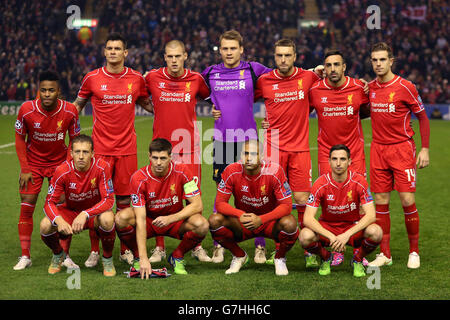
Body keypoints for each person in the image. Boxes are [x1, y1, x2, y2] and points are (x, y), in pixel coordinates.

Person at [74, 33, 153, 267]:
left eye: (118, 48)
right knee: (97, 199)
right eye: (109, 48)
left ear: (125, 53)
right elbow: (77, 106)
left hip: (127, 149)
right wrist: (67, 130)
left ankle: (124, 250)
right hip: (99, 150)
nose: (113, 52)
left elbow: (149, 105)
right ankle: (95, 251)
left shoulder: (136, 79)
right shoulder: (92, 78)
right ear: (104, 51)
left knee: (124, 201)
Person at [201, 30, 272, 264]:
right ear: (219, 50)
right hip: (221, 140)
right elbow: (190, 85)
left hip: (248, 140)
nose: (229, 52)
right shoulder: (210, 73)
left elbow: (282, 81)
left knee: (255, 193)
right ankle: (218, 244)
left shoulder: (254, 69)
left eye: (233, 48)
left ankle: (259, 246)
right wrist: (212, 102)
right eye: (225, 48)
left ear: (242, 49)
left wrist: (314, 72)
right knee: (221, 193)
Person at [255, 38, 322, 267]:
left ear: (295, 57)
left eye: (287, 55)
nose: (283, 60)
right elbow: (243, 100)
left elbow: (327, 89)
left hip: (300, 148)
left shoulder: (308, 77)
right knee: (274, 202)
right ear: (274, 57)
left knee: (303, 199)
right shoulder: (264, 81)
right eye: (279, 56)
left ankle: (309, 249)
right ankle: (277, 248)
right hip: (273, 148)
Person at [144, 40, 211, 263]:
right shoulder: (152, 77)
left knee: (193, 198)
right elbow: (138, 94)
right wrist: (152, 108)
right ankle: (159, 247)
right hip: (161, 150)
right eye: (170, 56)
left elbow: (212, 97)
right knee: (158, 199)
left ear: (185, 56)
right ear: (165, 57)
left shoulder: (196, 79)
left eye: (178, 56)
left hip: (189, 150)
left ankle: (196, 246)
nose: (174, 60)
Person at [367, 42, 430, 269]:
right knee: (381, 202)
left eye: (382, 59)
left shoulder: (406, 86)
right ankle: (385, 254)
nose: (378, 64)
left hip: (402, 149)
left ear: (391, 61)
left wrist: (425, 149)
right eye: (374, 60)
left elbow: (422, 117)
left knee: (407, 200)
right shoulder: (371, 88)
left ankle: (414, 251)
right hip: (378, 150)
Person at [13, 70, 80, 270]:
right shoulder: (26, 109)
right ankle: (25, 256)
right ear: (38, 91)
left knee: (62, 209)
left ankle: (65, 255)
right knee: (27, 205)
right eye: (43, 90)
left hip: (59, 165)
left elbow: (74, 140)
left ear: (58, 91)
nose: (47, 94)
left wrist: (66, 167)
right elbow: (19, 138)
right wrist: (25, 168)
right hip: (33, 165)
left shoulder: (70, 111)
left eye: (51, 90)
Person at [309, 49, 370, 266]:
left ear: (344, 67)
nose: (332, 69)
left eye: (337, 64)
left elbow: (371, 109)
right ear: (323, 68)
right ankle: (335, 248)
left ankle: (358, 253)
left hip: (354, 154)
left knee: (360, 206)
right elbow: (295, 108)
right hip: (327, 155)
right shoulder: (315, 89)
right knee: (330, 205)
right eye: (328, 65)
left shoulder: (358, 87)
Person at [115, 138, 209, 277]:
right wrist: (143, 258)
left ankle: (177, 256)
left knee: (202, 224)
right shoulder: (138, 178)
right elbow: (140, 219)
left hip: (174, 221)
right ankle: (136, 257)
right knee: (121, 218)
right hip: (149, 221)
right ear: (149, 156)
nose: (158, 163)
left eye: (163, 158)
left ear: (171, 157)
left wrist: (170, 218)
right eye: (155, 158)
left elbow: (197, 204)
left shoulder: (182, 171)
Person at [209, 140, 298, 275]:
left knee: (290, 223)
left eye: (254, 154)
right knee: (214, 220)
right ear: (240, 155)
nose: (249, 158)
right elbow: (220, 203)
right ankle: (239, 256)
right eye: (245, 153)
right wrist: (239, 214)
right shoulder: (231, 170)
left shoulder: (274, 171)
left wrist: (261, 219)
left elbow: (286, 205)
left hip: (269, 223)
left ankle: (279, 258)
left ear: (262, 156)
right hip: (244, 222)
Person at [299, 144, 383, 277]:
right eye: (334, 159)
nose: (338, 163)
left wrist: (346, 235)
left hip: (352, 227)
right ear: (329, 161)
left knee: (376, 232)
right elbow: (308, 218)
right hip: (329, 228)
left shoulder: (359, 181)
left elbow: (371, 215)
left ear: (349, 161)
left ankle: (358, 259)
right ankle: (326, 257)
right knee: (304, 236)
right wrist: (331, 236)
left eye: (343, 159)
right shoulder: (320, 184)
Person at [40, 134, 117, 276]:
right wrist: (59, 220)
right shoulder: (62, 171)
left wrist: (85, 214)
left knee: (108, 219)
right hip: (70, 211)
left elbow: (109, 200)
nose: (81, 156)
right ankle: (58, 254)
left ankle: (107, 259)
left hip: (93, 214)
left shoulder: (102, 167)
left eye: (85, 152)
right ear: (71, 153)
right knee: (45, 225)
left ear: (93, 153)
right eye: (77, 152)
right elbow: (49, 203)